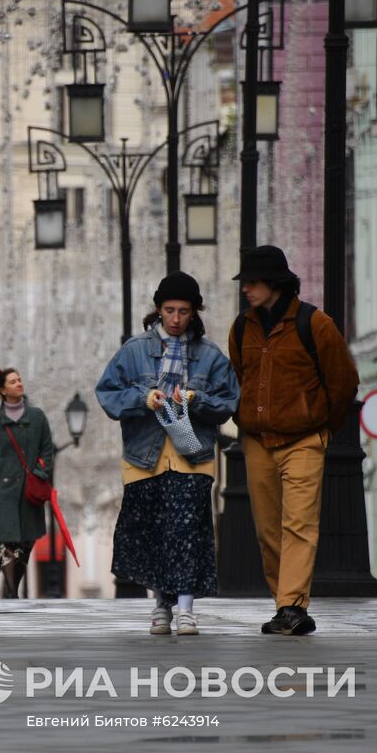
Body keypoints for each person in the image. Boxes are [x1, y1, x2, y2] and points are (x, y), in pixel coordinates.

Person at [96, 272, 240, 635]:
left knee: (188, 531)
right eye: (169, 310)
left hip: (193, 456)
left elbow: (229, 402)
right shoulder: (133, 350)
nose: (176, 319)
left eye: (184, 311)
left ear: (195, 312)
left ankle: (187, 608)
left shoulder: (210, 356)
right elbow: (107, 393)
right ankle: (161, 605)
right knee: (153, 532)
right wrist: (142, 399)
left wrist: (196, 399)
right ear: (158, 310)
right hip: (144, 457)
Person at [228, 245, 359, 636]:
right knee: (268, 529)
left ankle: (292, 605)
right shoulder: (242, 327)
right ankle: (283, 604)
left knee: (299, 524)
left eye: (252, 282)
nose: (246, 289)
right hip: (257, 441)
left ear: (274, 283)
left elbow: (344, 381)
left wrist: (322, 428)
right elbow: (238, 377)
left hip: (303, 439)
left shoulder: (314, 323)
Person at [0, 368, 55, 599]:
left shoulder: (37, 417)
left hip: (29, 493)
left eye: (19, 379)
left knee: (24, 544)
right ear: (3, 389)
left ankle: (11, 589)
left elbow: (47, 450)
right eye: (13, 381)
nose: (19, 383)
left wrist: (41, 473)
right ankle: (11, 591)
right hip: (0, 494)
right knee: (7, 543)